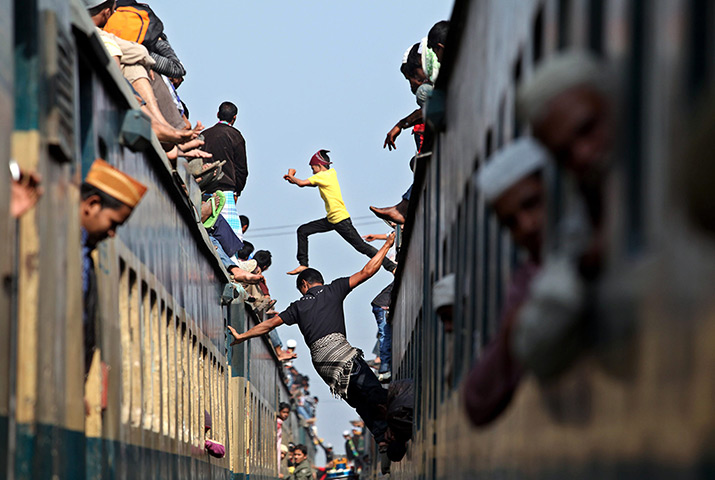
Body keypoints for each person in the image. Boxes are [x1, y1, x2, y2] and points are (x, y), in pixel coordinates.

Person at [228, 234, 396, 445]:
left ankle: (382, 439)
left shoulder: (298, 306)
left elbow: (268, 325)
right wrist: (387, 245)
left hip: (323, 367)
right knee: (374, 392)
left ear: (304, 285)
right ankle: (396, 426)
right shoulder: (334, 289)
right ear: (318, 282)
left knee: (359, 401)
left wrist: (242, 335)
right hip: (341, 356)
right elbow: (367, 271)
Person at [462, 138, 548, 426]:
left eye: (532, 204)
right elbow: (475, 402)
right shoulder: (526, 280)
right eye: (511, 222)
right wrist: (512, 333)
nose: (527, 226)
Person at [81, 159, 147, 376]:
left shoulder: (85, 255)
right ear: (92, 205)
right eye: (113, 223)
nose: (112, 234)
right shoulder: (75, 252)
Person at [284, 150, 397, 275]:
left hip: (340, 220)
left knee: (361, 247)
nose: (312, 171)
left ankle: (391, 266)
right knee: (303, 230)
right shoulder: (330, 174)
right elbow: (303, 184)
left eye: (313, 168)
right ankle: (303, 264)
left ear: (320, 166)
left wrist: (291, 174)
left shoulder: (323, 176)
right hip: (331, 220)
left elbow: (301, 183)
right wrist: (292, 178)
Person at [201, 101, 249, 240]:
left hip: (203, 191)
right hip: (226, 191)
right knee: (230, 239)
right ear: (234, 118)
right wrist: (237, 191)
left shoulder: (205, 134)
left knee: (204, 232)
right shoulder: (236, 136)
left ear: (217, 114)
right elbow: (241, 169)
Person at [370, 282, 393, 382]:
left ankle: (384, 367)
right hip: (382, 305)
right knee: (385, 334)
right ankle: (384, 368)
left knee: (385, 334)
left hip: (382, 304)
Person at [277, 402, 291, 474]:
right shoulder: (278, 423)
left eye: (287, 413)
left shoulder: (280, 423)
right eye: (284, 412)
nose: (286, 415)